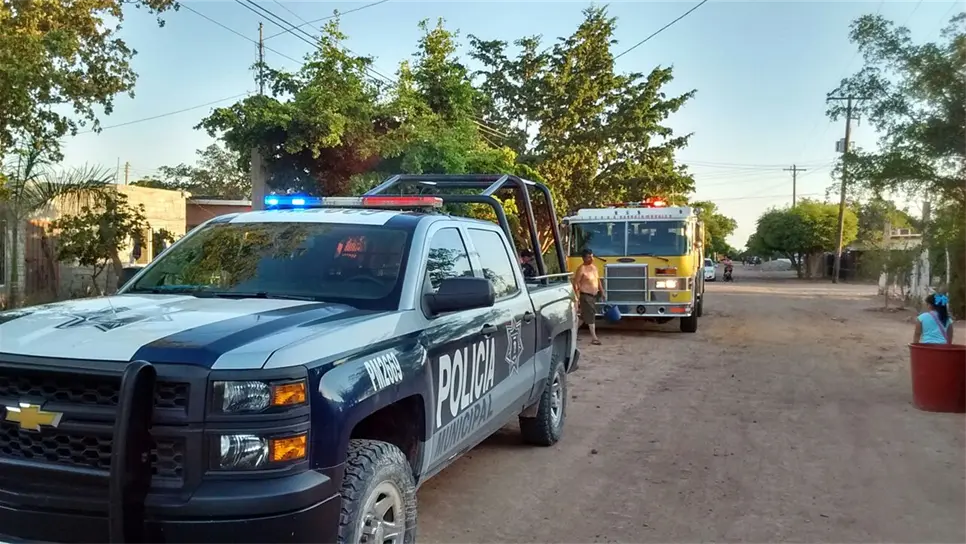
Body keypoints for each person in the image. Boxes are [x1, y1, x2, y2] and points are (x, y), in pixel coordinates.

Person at [572, 248, 605, 345]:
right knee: (590, 315)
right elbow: (576, 283)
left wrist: (602, 291)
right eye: (589, 257)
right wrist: (577, 298)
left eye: (592, 256)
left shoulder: (594, 267)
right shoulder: (581, 269)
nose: (591, 259)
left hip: (594, 295)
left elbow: (597, 280)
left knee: (583, 317)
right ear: (584, 258)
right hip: (585, 295)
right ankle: (594, 337)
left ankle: (573, 333)